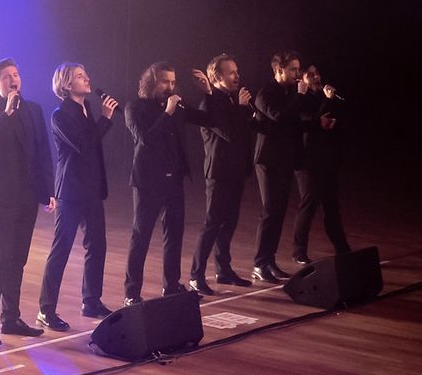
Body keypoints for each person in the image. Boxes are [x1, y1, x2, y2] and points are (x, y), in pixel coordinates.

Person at [0, 58, 57, 348]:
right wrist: (6, 114)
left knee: (19, 258)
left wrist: (49, 190)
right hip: (3, 194)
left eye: (16, 74)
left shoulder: (34, 109)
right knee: (0, 258)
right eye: (7, 76)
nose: (14, 79)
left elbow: (43, 152)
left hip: (28, 193)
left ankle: (11, 318)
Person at [122, 63, 211, 305]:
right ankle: (131, 293)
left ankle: (171, 286)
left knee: (174, 234)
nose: (170, 87)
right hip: (148, 182)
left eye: (173, 82)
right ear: (151, 83)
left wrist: (208, 93)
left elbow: (207, 118)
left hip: (174, 180)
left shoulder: (177, 106)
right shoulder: (134, 108)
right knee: (141, 235)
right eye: (165, 82)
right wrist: (167, 113)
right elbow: (145, 139)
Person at [38, 63, 119, 330]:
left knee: (97, 246)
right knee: (61, 250)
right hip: (71, 192)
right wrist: (106, 119)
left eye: (86, 74)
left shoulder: (87, 110)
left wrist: (101, 118)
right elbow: (84, 145)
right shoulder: (60, 115)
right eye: (80, 77)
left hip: (92, 190)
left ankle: (91, 301)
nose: (88, 79)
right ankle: (46, 309)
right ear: (67, 85)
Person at [190, 54, 258, 292]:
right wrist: (241, 109)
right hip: (219, 172)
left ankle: (224, 270)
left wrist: (246, 112)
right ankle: (195, 275)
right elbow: (228, 132)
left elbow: (243, 132)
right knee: (212, 223)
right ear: (217, 77)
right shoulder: (211, 102)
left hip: (235, 170)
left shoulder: (231, 99)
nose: (237, 75)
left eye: (237, 71)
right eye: (231, 72)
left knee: (229, 223)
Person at [251, 51, 310, 282]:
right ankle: (259, 263)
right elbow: (280, 116)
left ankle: (270, 260)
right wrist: (299, 96)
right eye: (293, 69)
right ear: (278, 70)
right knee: (270, 211)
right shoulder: (266, 93)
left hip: (286, 159)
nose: (298, 74)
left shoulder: (289, 93)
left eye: (298, 69)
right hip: (268, 160)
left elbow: (296, 122)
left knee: (279, 213)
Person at [290, 65, 351, 264]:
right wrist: (327, 101)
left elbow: (329, 122)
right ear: (301, 80)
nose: (316, 77)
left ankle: (342, 248)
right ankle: (299, 251)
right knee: (309, 204)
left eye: (317, 73)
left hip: (327, 160)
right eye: (310, 75)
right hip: (307, 161)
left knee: (332, 206)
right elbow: (309, 121)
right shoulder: (301, 99)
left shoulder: (321, 97)